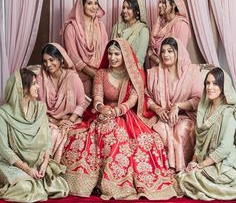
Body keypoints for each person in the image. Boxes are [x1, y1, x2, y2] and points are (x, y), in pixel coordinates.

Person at [61, 38, 177, 200]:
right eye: (110, 54)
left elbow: (133, 99)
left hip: (125, 114)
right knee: (86, 138)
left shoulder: (133, 76)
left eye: (117, 54)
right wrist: (101, 108)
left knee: (146, 140)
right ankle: (96, 182)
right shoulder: (102, 73)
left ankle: (122, 183)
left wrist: (118, 110)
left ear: (125, 56)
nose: (112, 57)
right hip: (104, 113)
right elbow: (98, 97)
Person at [0, 68, 69, 202]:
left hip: (36, 163)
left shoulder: (40, 109)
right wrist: (26, 169)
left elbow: (47, 140)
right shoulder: (3, 114)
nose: (38, 86)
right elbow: (3, 148)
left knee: (58, 186)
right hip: (12, 164)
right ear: (23, 88)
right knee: (27, 188)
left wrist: (45, 162)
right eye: (34, 83)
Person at [177, 67, 236, 200]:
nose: (210, 87)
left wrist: (201, 165)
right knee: (185, 175)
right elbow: (199, 142)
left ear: (224, 86)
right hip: (206, 160)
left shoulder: (229, 112)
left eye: (215, 83)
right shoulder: (205, 108)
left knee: (192, 178)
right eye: (207, 83)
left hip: (224, 163)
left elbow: (225, 149)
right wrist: (193, 161)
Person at [146, 37, 204, 172]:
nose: (166, 55)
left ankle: (180, 169)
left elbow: (198, 99)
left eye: (170, 51)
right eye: (163, 51)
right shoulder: (154, 73)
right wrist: (158, 109)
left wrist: (178, 106)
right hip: (162, 116)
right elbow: (146, 97)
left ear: (178, 53)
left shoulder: (191, 72)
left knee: (181, 130)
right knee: (160, 130)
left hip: (185, 116)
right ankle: (165, 169)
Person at [36, 43, 86, 163]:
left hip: (69, 119)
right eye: (45, 61)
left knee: (64, 135)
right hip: (47, 119)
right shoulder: (41, 77)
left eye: (51, 60)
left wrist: (70, 121)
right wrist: (55, 121)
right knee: (51, 133)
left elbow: (82, 103)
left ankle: (51, 167)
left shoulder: (72, 77)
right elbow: (37, 105)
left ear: (61, 59)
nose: (48, 64)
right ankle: (44, 167)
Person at [61, 0, 108, 97]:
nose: (94, 7)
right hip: (78, 74)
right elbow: (72, 56)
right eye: (89, 3)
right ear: (81, 6)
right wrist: (92, 74)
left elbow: (105, 53)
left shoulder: (101, 27)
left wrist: (100, 75)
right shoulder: (71, 28)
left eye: (96, 3)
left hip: (99, 73)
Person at [148, 0, 191, 66]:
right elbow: (151, 48)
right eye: (159, 2)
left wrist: (152, 56)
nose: (159, 5)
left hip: (174, 71)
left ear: (173, 5)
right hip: (158, 69)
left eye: (163, 2)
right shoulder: (159, 24)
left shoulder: (181, 24)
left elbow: (178, 54)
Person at [111, 0, 149, 68]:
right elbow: (110, 51)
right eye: (123, 7)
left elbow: (140, 59)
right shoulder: (116, 27)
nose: (124, 11)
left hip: (134, 72)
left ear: (137, 11)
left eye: (128, 8)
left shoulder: (143, 30)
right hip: (115, 70)